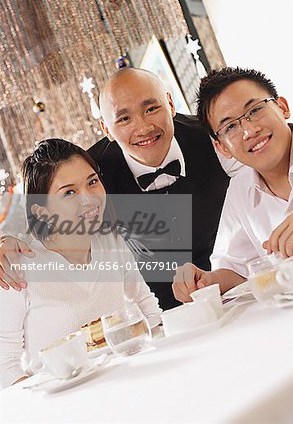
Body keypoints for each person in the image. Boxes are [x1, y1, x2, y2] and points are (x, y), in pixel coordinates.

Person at [0, 68, 236, 310]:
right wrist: (8, 243)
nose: (143, 128)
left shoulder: (215, 136)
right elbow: (49, 227)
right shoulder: (90, 175)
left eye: (151, 109)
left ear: (170, 104)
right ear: (106, 129)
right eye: (124, 118)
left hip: (232, 287)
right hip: (155, 312)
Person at [0, 139, 161, 389]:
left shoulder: (112, 242)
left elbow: (147, 308)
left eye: (92, 181)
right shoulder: (17, 265)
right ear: (41, 211)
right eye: (69, 192)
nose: (89, 199)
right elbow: (5, 363)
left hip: (132, 383)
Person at [172, 67, 293, 303]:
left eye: (255, 110)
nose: (249, 131)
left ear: (282, 107)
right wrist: (205, 281)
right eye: (230, 127)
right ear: (222, 147)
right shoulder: (240, 190)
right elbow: (237, 268)